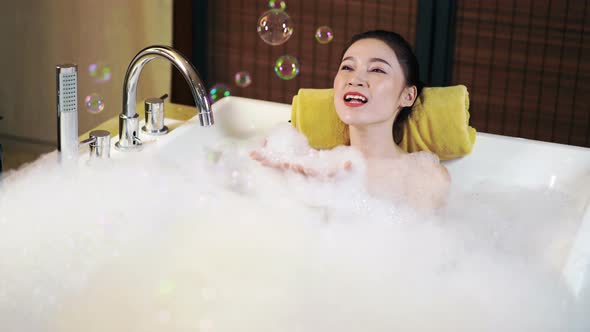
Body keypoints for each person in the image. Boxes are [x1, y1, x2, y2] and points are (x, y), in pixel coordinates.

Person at [251, 30, 450, 210]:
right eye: (347, 67)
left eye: (377, 70)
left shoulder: (425, 177)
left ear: (407, 95)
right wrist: (285, 185)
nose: (354, 79)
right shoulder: (310, 164)